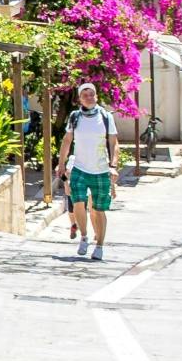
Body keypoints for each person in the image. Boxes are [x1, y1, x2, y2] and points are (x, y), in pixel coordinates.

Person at [58, 81, 119, 261]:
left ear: (96, 96)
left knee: (99, 210)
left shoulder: (106, 117)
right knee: (78, 202)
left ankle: (99, 245)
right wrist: (61, 164)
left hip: (100, 169)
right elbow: (67, 141)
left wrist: (113, 166)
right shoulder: (75, 117)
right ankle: (84, 237)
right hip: (80, 168)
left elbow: (114, 143)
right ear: (80, 99)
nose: (89, 98)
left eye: (91, 94)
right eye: (85, 95)